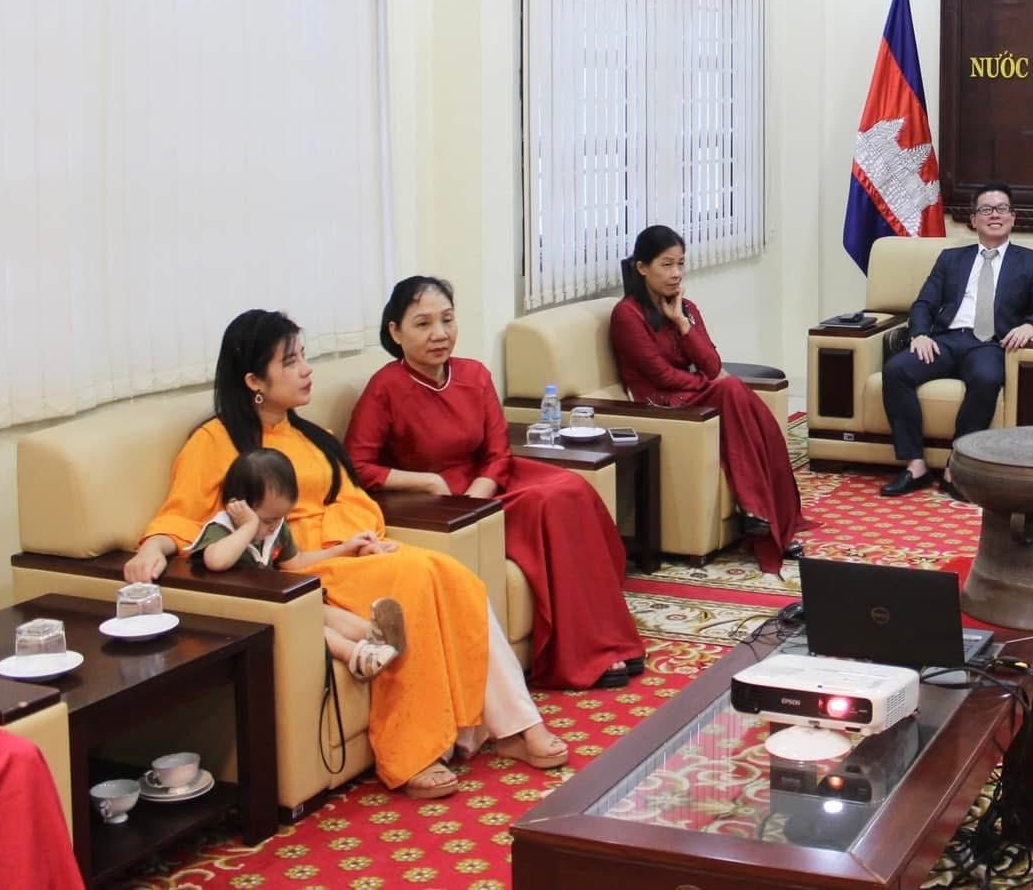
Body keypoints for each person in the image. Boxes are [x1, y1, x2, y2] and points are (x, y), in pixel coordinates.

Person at [124, 310, 568, 799]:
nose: (306, 370)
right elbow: (183, 515)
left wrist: (360, 540)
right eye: (290, 362)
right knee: (415, 581)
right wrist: (153, 547)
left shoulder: (311, 437)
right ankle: (413, 751)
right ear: (253, 381)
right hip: (295, 573)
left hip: (347, 554)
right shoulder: (215, 441)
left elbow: (352, 498)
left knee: (455, 576)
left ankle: (515, 726)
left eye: (304, 357)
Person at [346, 276, 646, 689]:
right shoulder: (386, 387)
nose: (439, 334)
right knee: (549, 504)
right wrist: (427, 483)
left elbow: (498, 452)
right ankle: (586, 654)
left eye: (447, 320)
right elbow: (357, 465)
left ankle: (610, 638)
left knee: (572, 489)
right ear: (395, 332)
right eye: (423, 324)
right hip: (439, 503)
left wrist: (481, 493)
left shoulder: (474, 374)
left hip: (489, 483)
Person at [611, 225, 806, 573]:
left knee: (734, 393)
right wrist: (705, 383)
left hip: (692, 394)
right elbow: (661, 376)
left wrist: (682, 324)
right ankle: (758, 511)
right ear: (642, 267)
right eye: (666, 265)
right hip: (658, 403)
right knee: (730, 389)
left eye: (681, 264)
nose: (676, 274)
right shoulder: (627, 315)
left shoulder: (685, 308)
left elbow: (713, 363)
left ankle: (761, 513)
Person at [879, 181, 1033, 500]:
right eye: (986, 210)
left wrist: (1030, 325)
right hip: (946, 340)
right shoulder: (951, 258)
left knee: (987, 378)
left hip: (989, 344)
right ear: (974, 219)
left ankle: (957, 465)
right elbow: (923, 303)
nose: (995, 215)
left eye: (1002, 209)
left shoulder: (1032, 261)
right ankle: (915, 466)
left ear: (1013, 217)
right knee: (896, 370)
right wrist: (919, 334)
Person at [194, 446, 407, 681]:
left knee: (318, 609)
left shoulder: (275, 528)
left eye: (280, 518)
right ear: (237, 507)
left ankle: (376, 636)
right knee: (305, 622)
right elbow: (216, 561)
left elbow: (296, 563)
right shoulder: (222, 528)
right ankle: (354, 657)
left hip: (272, 606)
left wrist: (345, 548)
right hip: (237, 615)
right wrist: (248, 526)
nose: (274, 527)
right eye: (268, 520)